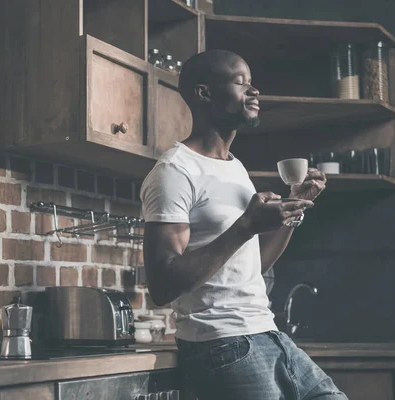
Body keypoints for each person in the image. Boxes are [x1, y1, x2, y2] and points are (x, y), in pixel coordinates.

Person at [140, 50, 346, 400]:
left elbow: (254, 266)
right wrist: (245, 226)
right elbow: (162, 286)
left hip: (268, 334)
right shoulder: (175, 172)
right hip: (221, 344)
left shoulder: (234, 167)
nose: (253, 92)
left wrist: (293, 208)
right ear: (204, 93)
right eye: (240, 82)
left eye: (251, 83)